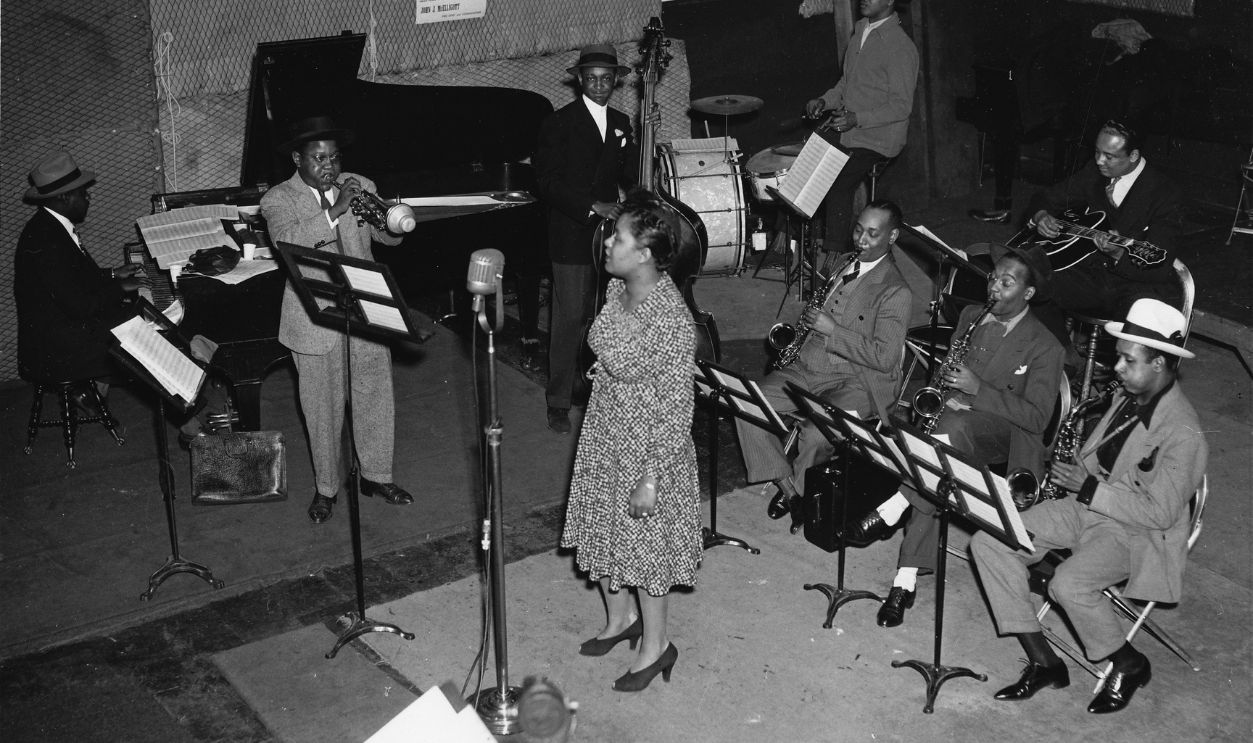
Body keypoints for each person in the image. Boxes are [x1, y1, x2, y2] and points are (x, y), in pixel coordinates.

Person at [970, 298, 1206, 714]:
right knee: (990, 540)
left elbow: (1160, 514)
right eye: (1119, 358)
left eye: (1128, 361)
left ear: (1159, 365)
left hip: (1135, 533)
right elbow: (1105, 459)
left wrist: (1088, 487)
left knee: (1068, 583)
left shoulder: (1183, 433)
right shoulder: (1130, 395)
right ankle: (1045, 663)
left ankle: (1129, 662)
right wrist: (1072, 469)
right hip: (1087, 505)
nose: (1116, 368)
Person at [847, 243, 1065, 627]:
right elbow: (945, 372)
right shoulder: (969, 315)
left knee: (946, 437)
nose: (994, 288)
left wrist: (978, 391)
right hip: (955, 426)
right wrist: (938, 395)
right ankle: (905, 580)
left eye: (1007, 283)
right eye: (994, 277)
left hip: (1007, 434)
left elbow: (1037, 417)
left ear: (1028, 293)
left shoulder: (1045, 345)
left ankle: (897, 503)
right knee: (942, 446)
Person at [560, 192, 701, 692]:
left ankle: (657, 646)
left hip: (647, 447)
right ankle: (620, 621)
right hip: (606, 429)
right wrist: (606, 368)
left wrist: (652, 477)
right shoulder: (618, 292)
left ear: (643, 254)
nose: (607, 243)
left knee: (644, 550)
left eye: (617, 237)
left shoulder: (671, 318)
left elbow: (676, 406)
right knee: (602, 531)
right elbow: (617, 354)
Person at [261, 116, 414, 524]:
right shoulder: (278, 199)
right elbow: (287, 242)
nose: (329, 166)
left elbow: (387, 238)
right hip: (313, 317)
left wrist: (390, 218)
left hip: (366, 308)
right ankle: (326, 488)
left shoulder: (359, 183)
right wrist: (335, 210)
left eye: (334, 156)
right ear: (298, 159)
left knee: (374, 396)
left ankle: (377, 475)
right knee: (321, 409)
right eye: (318, 158)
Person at [735, 200, 912, 520]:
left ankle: (805, 494)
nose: (862, 240)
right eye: (859, 229)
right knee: (746, 402)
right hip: (809, 364)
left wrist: (832, 329)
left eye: (873, 234)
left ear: (892, 236)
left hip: (857, 379)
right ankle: (789, 488)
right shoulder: (843, 262)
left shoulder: (895, 290)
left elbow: (885, 359)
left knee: (816, 432)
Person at [534, 44, 639, 434]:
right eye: (592, 78)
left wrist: (648, 137)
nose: (599, 85)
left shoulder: (622, 121)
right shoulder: (558, 123)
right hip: (571, 232)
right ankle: (559, 400)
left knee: (610, 316)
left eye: (607, 79)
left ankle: (604, 391)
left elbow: (629, 176)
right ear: (579, 80)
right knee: (569, 318)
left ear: (615, 81)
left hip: (610, 237)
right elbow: (547, 182)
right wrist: (593, 205)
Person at [1027, 119, 1185, 345]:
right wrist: (1041, 215)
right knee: (1030, 285)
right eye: (1097, 152)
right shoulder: (1094, 171)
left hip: (1131, 284)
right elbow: (1047, 197)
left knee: (1139, 322)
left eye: (1109, 156)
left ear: (1133, 155)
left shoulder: (1166, 193)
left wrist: (1118, 254)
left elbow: (1158, 266)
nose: (1099, 161)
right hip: (1088, 273)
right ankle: (1063, 358)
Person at [15, 150, 143, 410]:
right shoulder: (47, 240)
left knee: (135, 320)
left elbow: (72, 278)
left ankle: (92, 391)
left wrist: (112, 273)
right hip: (57, 348)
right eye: (83, 192)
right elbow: (79, 306)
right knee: (142, 340)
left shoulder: (49, 225)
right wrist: (119, 288)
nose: (88, 196)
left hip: (61, 330)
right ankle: (190, 425)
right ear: (64, 197)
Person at [804, 0, 918, 254]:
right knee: (805, 164)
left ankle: (835, 258)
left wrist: (857, 118)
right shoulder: (861, 31)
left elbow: (901, 106)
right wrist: (824, 101)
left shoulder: (901, 47)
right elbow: (846, 83)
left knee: (836, 181)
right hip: (851, 129)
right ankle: (793, 244)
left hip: (879, 137)